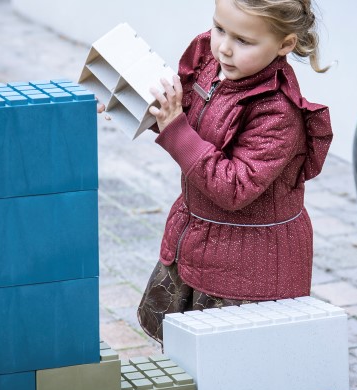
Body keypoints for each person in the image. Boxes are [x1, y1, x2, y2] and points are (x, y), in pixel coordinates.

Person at [101, 0, 333, 345]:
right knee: (188, 351)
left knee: (231, 359)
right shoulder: (212, 64)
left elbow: (233, 188)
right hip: (201, 238)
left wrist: (173, 126)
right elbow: (188, 116)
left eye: (244, 41)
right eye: (220, 28)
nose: (224, 47)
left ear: (285, 44)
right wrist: (143, 107)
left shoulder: (277, 113)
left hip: (251, 266)